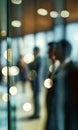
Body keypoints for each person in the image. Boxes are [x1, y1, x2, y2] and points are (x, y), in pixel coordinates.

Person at [28, 46, 42, 119]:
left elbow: (36, 72)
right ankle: (36, 113)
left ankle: (37, 114)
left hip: (37, 83)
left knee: (36, 99)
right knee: (35, 99)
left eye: (34, 51)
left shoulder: (39, 60)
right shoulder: (36, 59)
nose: (33, 53)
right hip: (35, 83)